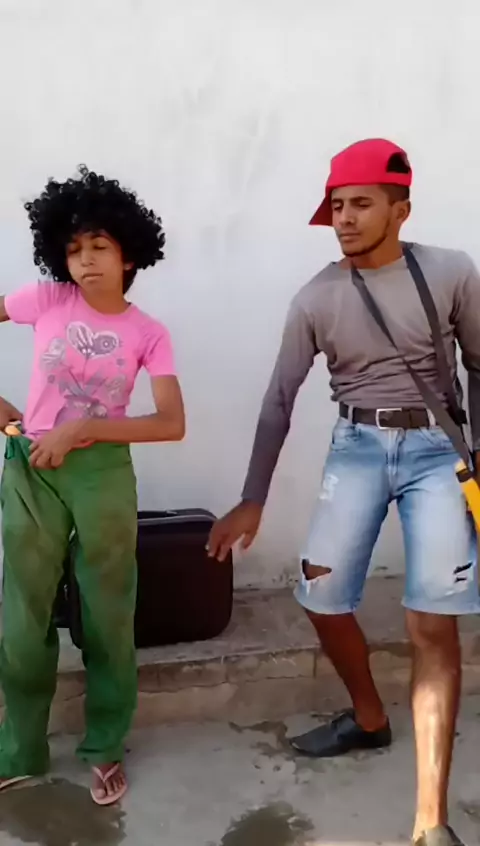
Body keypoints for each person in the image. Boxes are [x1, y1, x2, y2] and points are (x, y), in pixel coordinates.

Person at [208, 138, 480, 846]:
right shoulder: (316, 297)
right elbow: (279, 399)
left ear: (401, 209)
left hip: (436, 452)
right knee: (322, 596)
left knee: (431, 623)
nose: (345, 219)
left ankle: (430, 823)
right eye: (336, 206)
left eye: (361, 204)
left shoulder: (451, 271)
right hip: (356, 446)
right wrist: (252, 496)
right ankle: (368, 717)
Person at [0, 166, 185, 805]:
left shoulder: (149, 333)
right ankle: (20, 749)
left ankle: (105, 746)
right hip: (32, 467)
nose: (85, 260)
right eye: (74, 248)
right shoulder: (47, 301)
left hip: (102, 473)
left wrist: (83, 428)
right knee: (23, 614)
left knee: (108, 612)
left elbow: (170, 423)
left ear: (129, 254)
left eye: (100, 246)